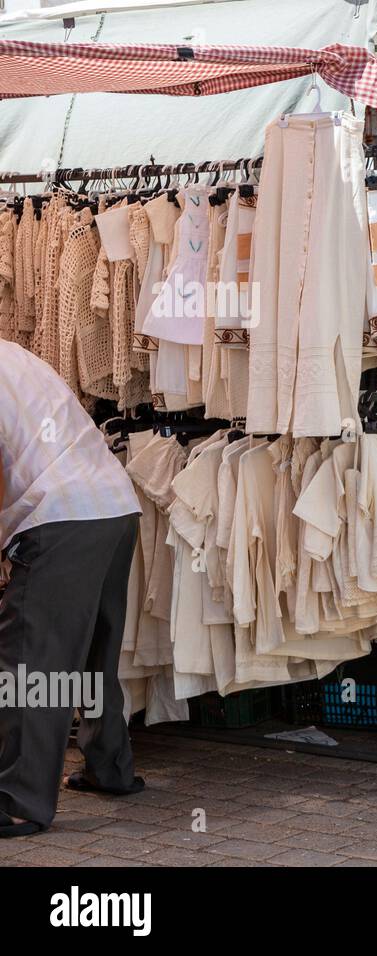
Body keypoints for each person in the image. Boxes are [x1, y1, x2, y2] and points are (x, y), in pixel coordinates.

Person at [0, 341, 144, 838]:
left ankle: (19, 801)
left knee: (29, 663)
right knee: (93, 656)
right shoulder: (14, 355)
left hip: (61, 515)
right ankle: (111, 768)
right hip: (114, 505)